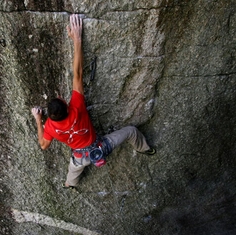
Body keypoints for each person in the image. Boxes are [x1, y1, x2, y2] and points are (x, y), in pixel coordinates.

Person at [31, 14, 155, 188]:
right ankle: (146, 149)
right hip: (100, 148)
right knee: (131, 131)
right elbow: (78, 73)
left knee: (72, 173)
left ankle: (69, 185)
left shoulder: (50, 127)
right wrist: (77, 39)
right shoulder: (77, 106)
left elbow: (43, 146)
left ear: (50, 117)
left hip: (80, 159)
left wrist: (38, 120)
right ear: (66, 105)